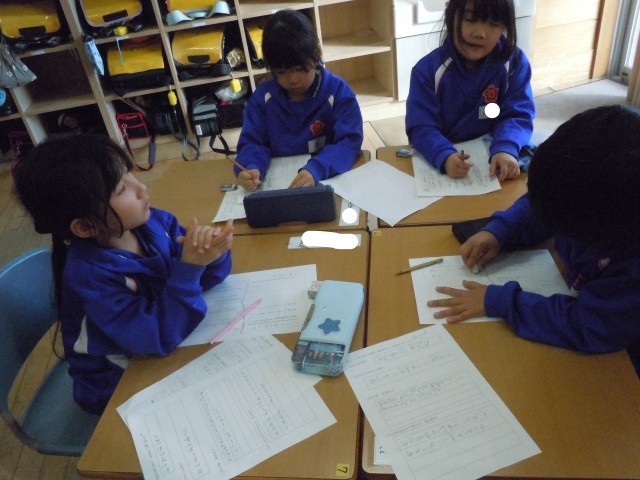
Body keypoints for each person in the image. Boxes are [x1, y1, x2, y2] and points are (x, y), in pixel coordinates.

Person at [12, 133, 234, 414]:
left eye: (129, 174)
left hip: (158, 346)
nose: (141, 188)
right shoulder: (90, 279)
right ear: (85, 227)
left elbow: (203, 280)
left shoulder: (155, 223)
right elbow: (154, 336)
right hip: (115, 385)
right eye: (121, 189)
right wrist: (191, 269)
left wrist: (212, 255)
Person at [427, 105, 640, 375]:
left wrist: (503, 302)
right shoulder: (591, 191)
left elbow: (591, 326)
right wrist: (501, 230)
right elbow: (545, 202)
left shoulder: (631, 265)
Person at [234, 9, 363, 191]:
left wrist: (317, 168)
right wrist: (251, 166)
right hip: (276, 185)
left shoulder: (338, 93)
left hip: (326, 179)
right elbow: (252, 142)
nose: (293, 80)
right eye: (282, 72)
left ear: (317, 54)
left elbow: (349, 142)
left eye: (300, 69)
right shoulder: (262, 98)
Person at [405, 0, 534, 180]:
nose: (480, 33)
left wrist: (506, 147)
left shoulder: (514, 63)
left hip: (496, 158)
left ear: (504, 27)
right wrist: (444, 155)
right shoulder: (427, 71)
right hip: (446, 157)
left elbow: (517, 114)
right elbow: (421, 126)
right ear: (451, 16)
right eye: (470, 18)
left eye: (493, 23)